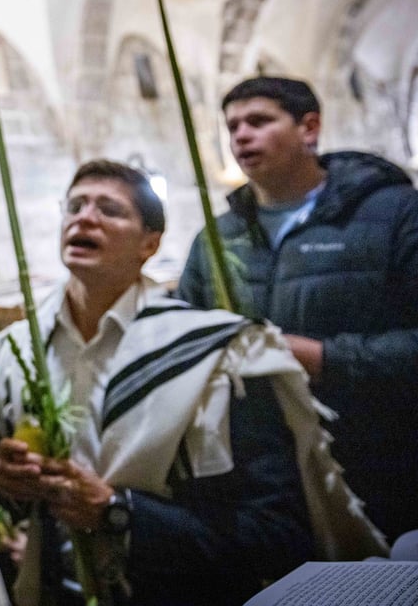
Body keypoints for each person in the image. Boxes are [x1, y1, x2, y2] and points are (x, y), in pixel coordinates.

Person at [0, 160, 381, 606]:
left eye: (109, 209)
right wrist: (10, 485)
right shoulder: (19, 353)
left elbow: (277, 531)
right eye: (75, 205)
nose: (85, 217)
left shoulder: (218, 355)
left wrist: (118, 511)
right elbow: (19, 504)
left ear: (149, 244)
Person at [176, 76, 418, 543]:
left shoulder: (395, 214)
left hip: (382, 461)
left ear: (309, 128)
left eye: (259, 121)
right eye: (233, 126)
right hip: (266, 483)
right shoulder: (215, 240)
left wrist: (318, 357)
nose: (241, 135)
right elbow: (190, 340)